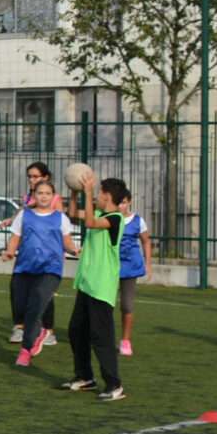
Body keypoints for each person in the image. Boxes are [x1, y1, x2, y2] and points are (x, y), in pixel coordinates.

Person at [57, 172, 128, 401]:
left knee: (101, 337)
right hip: (87, 284)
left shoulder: (116, 218)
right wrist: (75, 192)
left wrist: (87, 193)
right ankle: (84, 377)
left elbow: (89, 222)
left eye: (99, 193)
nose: (96, 196)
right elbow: (71, 214)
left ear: (107, 197)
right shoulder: (98, 212)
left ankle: (114, 385)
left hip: (101, 286)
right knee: (76, 330)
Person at [0, 180, 75, 367]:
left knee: (37, 302)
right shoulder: (24, 216)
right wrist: (10, 251)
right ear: (34, 196)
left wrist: (75, 250)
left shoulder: (61, 218)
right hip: (24, 267)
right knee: (20, 307)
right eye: (40, 193)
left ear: (53, 196)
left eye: (48, 193)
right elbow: (15, 238)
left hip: (50, 269)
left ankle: (26, 350)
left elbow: (67, 242)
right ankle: (39, 332)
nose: (43, 196)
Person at [3, 161, 56, 344]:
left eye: (36, 176)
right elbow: (23, 216)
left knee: (43, 293)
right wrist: (10, 220)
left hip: (47, 255)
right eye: (30, 176)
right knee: (17, 289)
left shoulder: (52, 199)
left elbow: (53, 218)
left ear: (45, 177)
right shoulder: (28, 198)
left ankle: (48, 330)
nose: (32, 180)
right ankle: (19, 327)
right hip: (27, 252)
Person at [117, 189, 152, 356]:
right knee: (103, 305)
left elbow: (146, 241)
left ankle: (125, 340)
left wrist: (148, 264)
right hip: (110, 266)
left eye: (123, 202)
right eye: (117, 202)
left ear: (129, 202)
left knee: (127, 305)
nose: (120, 206)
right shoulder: (108, 219)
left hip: (130, 267)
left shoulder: (138, 221)